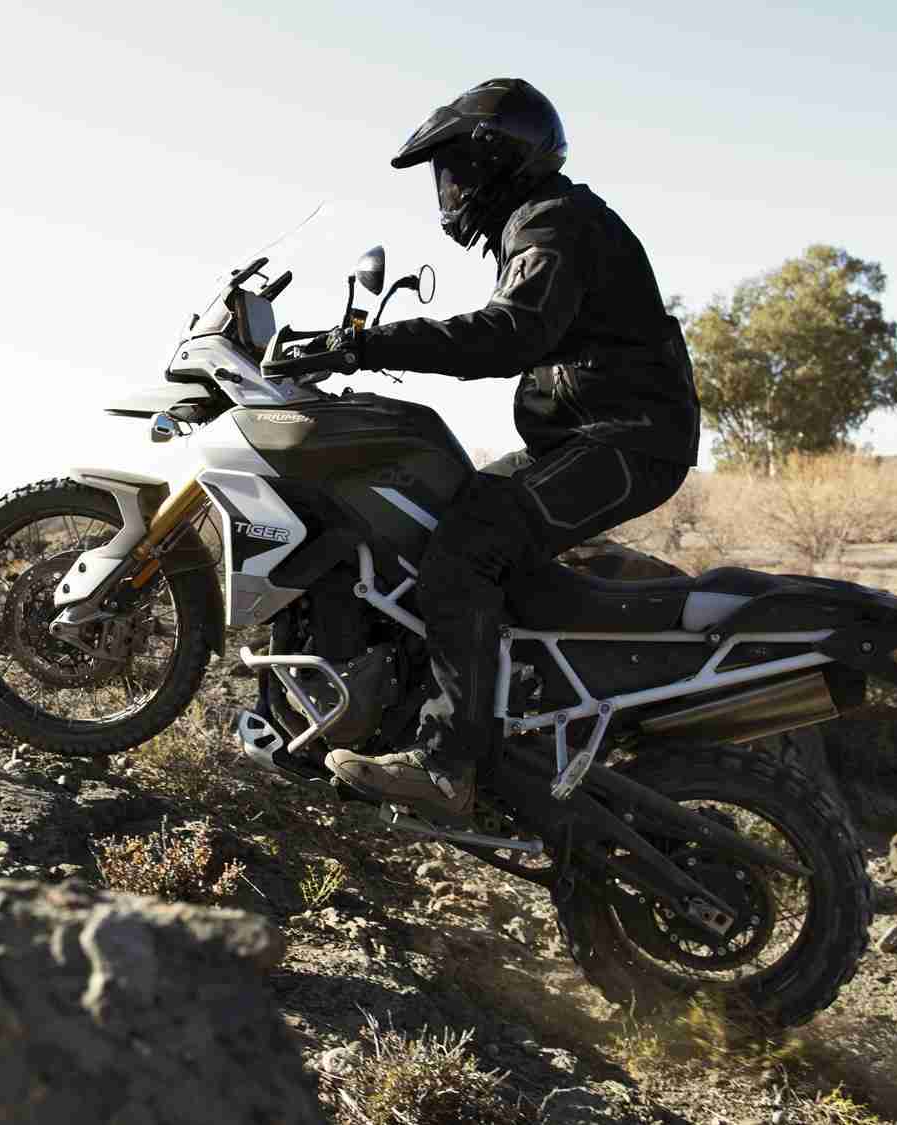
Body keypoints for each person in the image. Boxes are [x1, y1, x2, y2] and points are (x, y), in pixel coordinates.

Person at [267, 78, 701, 822]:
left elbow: (508, 335)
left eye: (458, 170)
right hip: (587, 437)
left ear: (500, 160)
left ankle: (446, 766)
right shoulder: (542, 221)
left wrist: (362, 345)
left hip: (626, 440)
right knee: (445, 523)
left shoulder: (555, 223)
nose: (450, 191)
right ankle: (482, 723)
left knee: (468, 548)